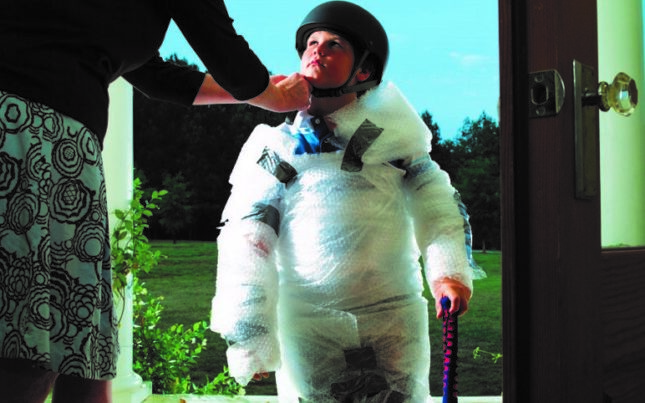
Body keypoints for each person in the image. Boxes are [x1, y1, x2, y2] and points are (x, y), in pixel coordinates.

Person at [0, 1, 311, 402]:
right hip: (30, 142)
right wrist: (273, 94)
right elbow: (221, 45)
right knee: (29, 342)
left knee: (77, 347)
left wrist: (258, 93)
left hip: (54, 149)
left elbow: (152, 74)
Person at [210, 1, 485, 402]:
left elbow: (438, 205)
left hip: (392, 321)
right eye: (311, 43)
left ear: (364, 70)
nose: (316, 50)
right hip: (309, 327)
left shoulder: (392, 141)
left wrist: (448, 273)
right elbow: (248, 240)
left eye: (334, 44)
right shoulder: (279, 151)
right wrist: (249, 334)